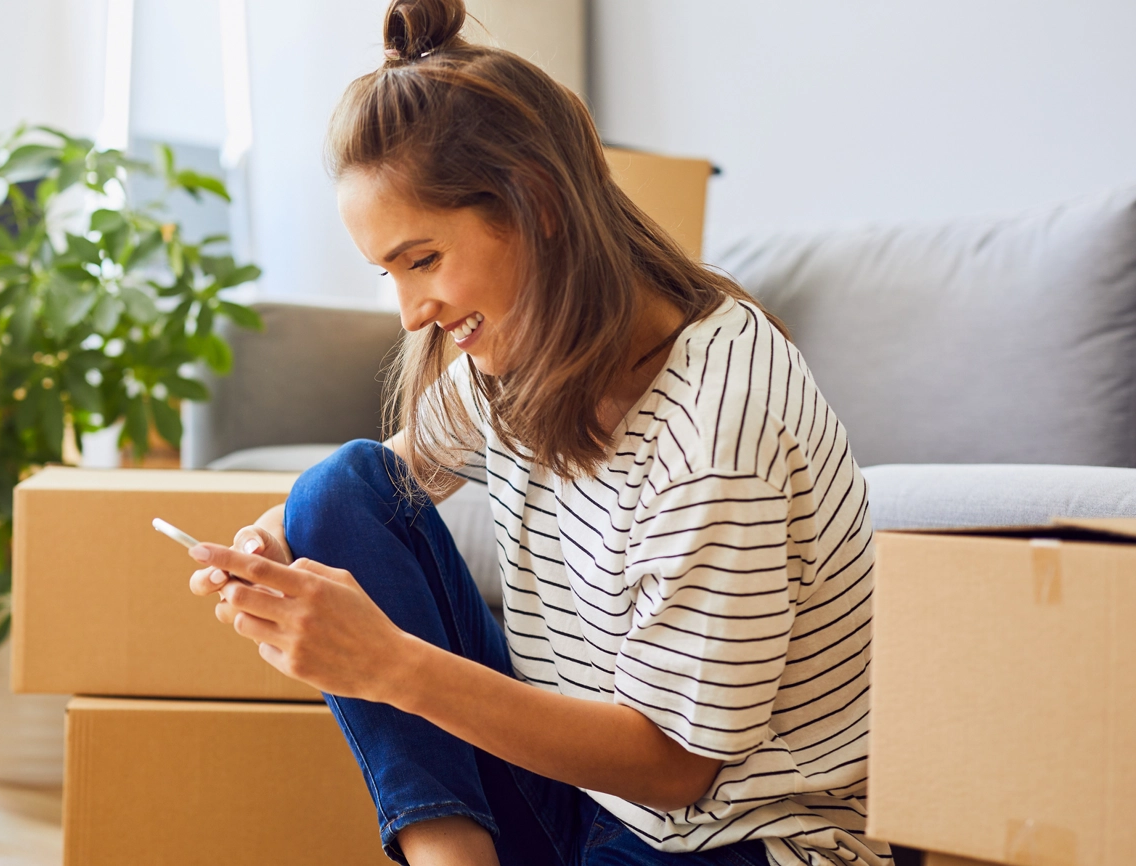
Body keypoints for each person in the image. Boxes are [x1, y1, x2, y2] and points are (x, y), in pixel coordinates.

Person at [186, 1, 887, 864]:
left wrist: (389, 665)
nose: (412, 316)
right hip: (592, 808)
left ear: (538, 205)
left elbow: (677, 771)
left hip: (726, 841)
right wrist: (274, 541)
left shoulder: (716, 425)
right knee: (335, 489)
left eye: (423, 260)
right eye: (390, 274)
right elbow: (392, 479)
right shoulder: (517, 359)